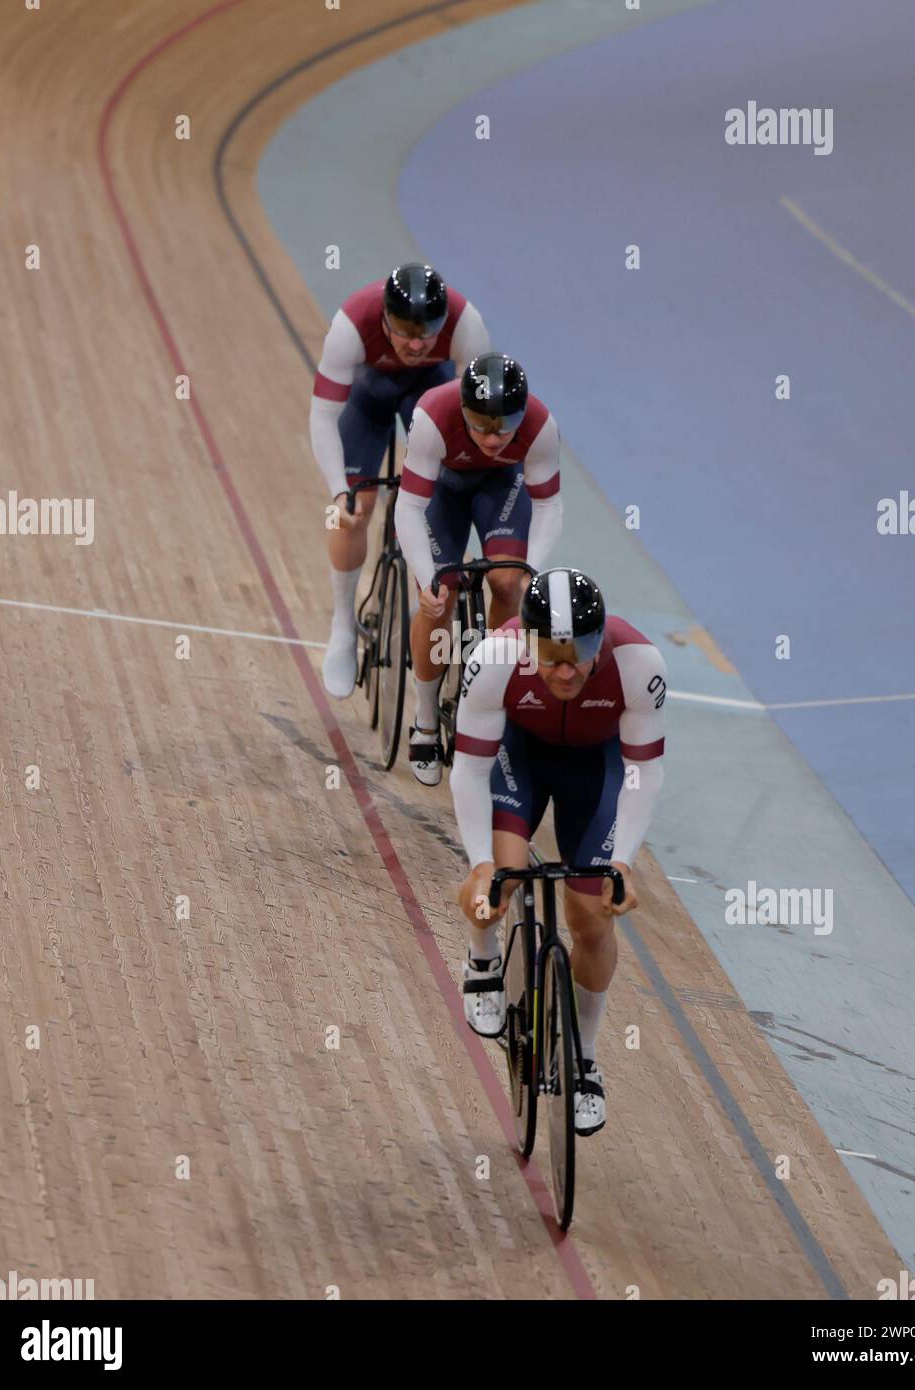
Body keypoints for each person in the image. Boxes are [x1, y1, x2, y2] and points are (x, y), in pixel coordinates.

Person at [449, 569, 667, 1135]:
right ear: (526, 642)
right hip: (519, 758)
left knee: (592, 917)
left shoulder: (640, 664)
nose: (567, 669)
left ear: (602, 641)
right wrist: (480, 865)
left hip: (596, 771)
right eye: (551, 654)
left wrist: (622, 864)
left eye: (582, 652)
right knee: (500, 883)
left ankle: (585, 1058)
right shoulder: (495, 658)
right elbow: (471, 769)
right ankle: (482, 957)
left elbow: (643, 771)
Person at [310, 263, 489, 698]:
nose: (414, 343)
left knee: (434, 506)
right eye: (403, 331)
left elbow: (474, 421)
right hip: (368, 396)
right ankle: (342, 626)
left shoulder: (467, 324)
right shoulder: (351, 325)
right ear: (383, 319)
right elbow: (324, 415)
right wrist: (339, 491)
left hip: (432, 393)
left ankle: (421, 599)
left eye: (425, 334)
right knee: (353, 513)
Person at [394, 352, 563, 786]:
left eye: (504, 426)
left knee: (509, 581)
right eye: (482, 425)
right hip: (441, 494)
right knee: (438, 597)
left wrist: (530, 569)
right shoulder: (434, 413)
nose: (493, 438)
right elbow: (410, 506)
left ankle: (491, 690)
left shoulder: (541, 425)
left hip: (502, 490)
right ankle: (426, 717)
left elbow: (548, 506)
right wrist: (425, 576)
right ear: (464, 410)